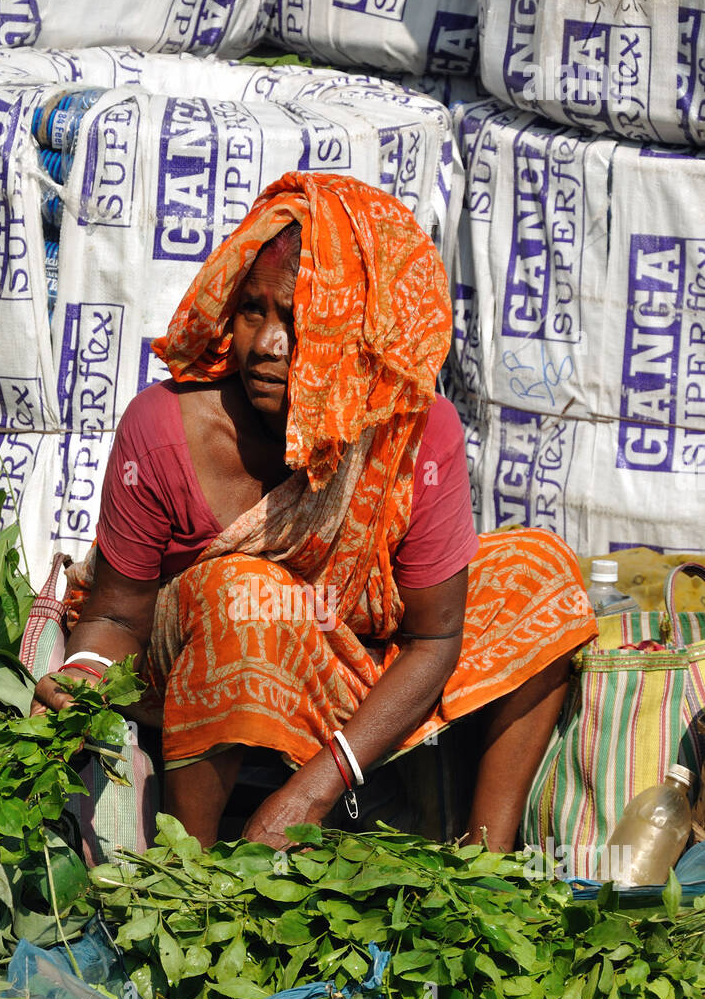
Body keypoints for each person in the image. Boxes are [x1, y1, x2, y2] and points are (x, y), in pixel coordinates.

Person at [32, 172, 597, 853]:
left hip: (352, 657)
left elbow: (433, 641)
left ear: (355, 336)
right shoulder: (164, 430)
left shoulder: (410, 434)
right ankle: (191, 877)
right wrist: (88, 666)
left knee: (537, 571)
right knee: (245, 596)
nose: (266, 345)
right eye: (252, 311)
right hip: (201, 660)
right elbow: (119, 615)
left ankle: (483, 865)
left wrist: (314, 788)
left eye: (298, 324)